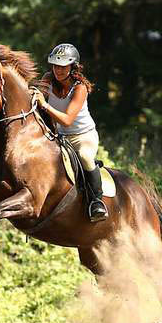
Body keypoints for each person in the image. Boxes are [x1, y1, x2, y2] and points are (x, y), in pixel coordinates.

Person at [34, 43, 108, 223]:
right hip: (60, 137)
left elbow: (67, 119)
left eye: (62, 66)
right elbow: (36, 101)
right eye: (55, 65)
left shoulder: (80, 87)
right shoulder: (47, 78)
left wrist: (44, 104)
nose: (57, 70)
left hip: (83, 136)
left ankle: (96, 202)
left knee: (84, 156)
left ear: (72, 66)